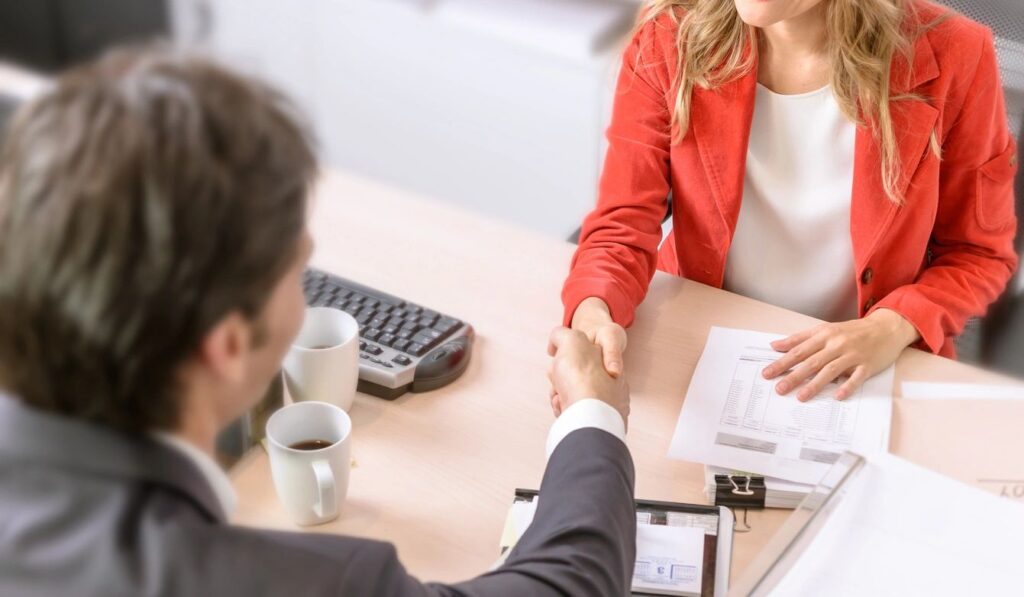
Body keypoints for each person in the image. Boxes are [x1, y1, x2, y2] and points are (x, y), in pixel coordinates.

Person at [0, 48, 636, 596]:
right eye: (297, 274)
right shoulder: (316, 582)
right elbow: (567, 583)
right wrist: (592, 417)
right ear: (225, 344)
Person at [563, 0, 1018, 401]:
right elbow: (623, 223)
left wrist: (892, 326)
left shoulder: (956, 52)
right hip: (702, 343)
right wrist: (595, 309)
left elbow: (978, 254)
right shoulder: (668, 36)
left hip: (866, 365)